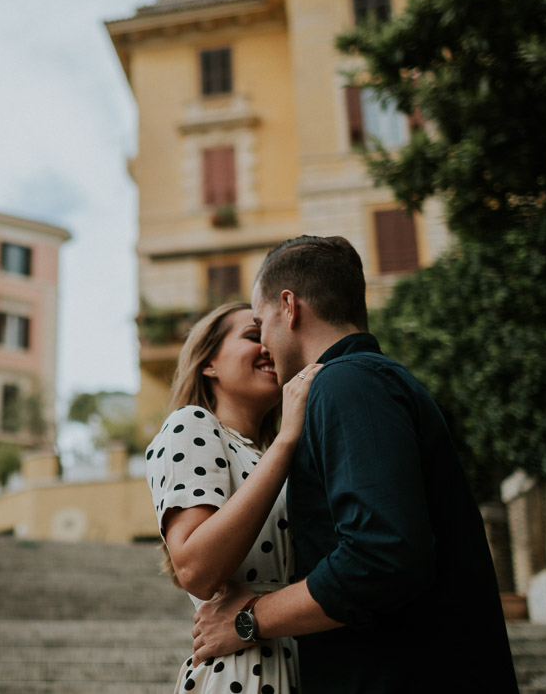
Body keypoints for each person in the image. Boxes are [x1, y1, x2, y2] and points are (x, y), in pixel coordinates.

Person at [191, 236, 518, 693]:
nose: (264, 342)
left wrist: (249, 619)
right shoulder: (363, 383)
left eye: (261, 323)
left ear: (289, 307)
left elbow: (378, 556)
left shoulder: (346, 384)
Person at [145, 301, 321, 694]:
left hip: (304, 661)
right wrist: (288, 437)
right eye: (252, 336)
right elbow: (195, 569)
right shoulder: (192, 424)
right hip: (242, 671)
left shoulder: (274, 455)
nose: (267, 347)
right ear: (209, 364)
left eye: (270, 338)